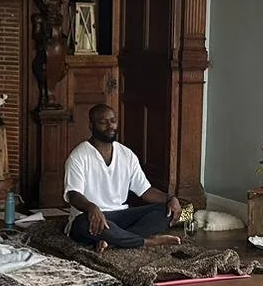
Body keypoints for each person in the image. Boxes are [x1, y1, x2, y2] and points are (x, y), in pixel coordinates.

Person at [65, 104, 182, 252]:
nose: (110, 126)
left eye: (113, 121)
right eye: (103, 122)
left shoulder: (127, 154)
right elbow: (73, 195)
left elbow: (145, 191)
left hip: (120, 216)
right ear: (91, 125)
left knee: (167, 210)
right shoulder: (78, 156)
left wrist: (171, 198)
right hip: (90, 217)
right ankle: (144, 241)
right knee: (82, 224)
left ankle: (113, 241)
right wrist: (92, 208)